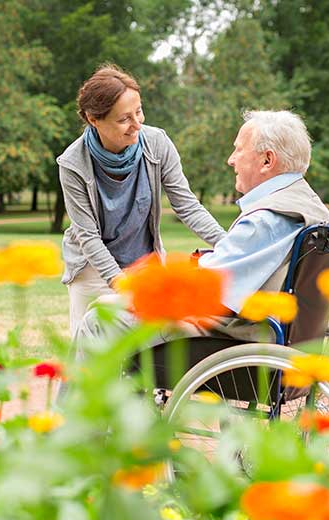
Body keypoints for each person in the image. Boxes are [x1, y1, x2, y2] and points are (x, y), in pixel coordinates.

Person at [75, 109, 329, 346]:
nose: (231, 160)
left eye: (239, 150)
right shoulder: (306, 206)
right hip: (261, 329)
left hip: (227, 336)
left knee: (99, 318)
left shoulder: (267, 220)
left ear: (267, 161)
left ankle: (75, 402)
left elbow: (207, 290)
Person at [57, 65, 226, 335]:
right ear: (93, 119)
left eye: (139, 111)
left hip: (146, 267)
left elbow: (187, 206)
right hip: (93, 271)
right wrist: (122, 285)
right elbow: (88, 236)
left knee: (149, 356)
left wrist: (231, 246)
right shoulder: (73, 163)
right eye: (124, 119)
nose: (137, 124)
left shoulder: (156, 144)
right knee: (92, 363)